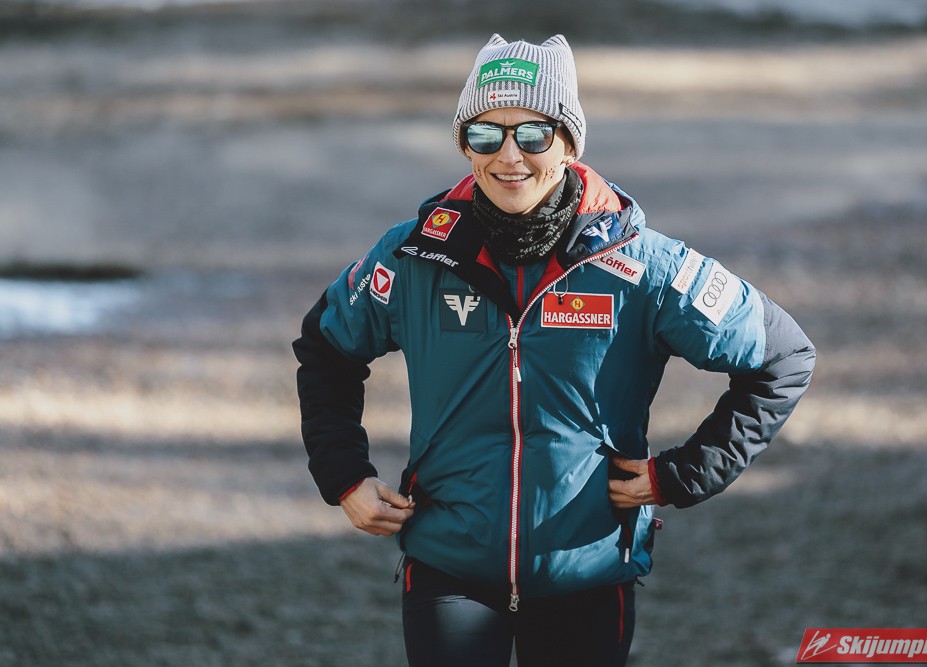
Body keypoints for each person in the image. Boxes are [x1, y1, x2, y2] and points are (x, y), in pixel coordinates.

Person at [293, 33, 815, 667]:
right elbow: (325, 348)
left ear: (569, 144)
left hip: (587, 572)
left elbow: (783, 357)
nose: (509, 155)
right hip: (448, 567)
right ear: (464, 146)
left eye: (534, 134)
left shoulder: (642, 265)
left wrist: (685, 473)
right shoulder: (414, 257)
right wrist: (345, 476)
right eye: (486, 134)